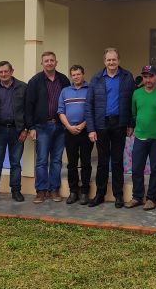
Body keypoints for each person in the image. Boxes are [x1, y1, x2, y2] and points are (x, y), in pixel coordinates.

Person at [85, 48, 136, 208]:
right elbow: (89, 105)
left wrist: (130, 124)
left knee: (117, 161)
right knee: (102, 161)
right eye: (108, 60)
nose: (111, 63)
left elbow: (131, 103)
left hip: (119, 124)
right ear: (104, 61)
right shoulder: (96, 78)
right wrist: (91, 129)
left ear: (118, 60)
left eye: (114, 60)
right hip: (101, 125)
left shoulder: (127, 77)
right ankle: (100, 194)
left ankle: (118, 195)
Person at [25, 51, 70, 204]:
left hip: (60, 127)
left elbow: (68, 102)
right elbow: (28, 106)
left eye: (52, 60)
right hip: (41, 127)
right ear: (42, 63)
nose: (49, 63)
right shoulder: (35, 81)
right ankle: (40, 191)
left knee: (57, 160)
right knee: (42, 160)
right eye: (46, 61)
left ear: (56, 62)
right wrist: (31, 127)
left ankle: (54, 190)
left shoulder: (63, 79)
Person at [124, 65, 156, 210]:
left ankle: (151, 198)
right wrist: (133, 126)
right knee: (137, 168)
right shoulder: (136, 94)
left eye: (150, 76)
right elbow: (134, 113)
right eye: (145, 77)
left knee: (155, 169)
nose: (148, 79)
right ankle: (137, 196)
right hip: (140, 136)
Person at [0, 61, 27, 204]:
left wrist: (25, 129)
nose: (3, 74)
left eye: (6, 71)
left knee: (16, 163)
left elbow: (28, 110)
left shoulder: (23, 87)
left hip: (17, 130)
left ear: (12, 71)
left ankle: (16, 191)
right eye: (0, 72)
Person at [58, 65, 91, 205]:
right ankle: (73, 191)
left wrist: (83, 125)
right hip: (69, 131)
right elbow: (61, 111)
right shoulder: (65, 91)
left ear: (83, 74)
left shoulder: (90, 90)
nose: (76, 77)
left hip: (85, 131)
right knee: (71, 163)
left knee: (86, 163)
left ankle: (84, 192)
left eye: (78, 74)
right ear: (71, 76)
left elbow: (92, 110)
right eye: (73, 75)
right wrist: (69, 127)